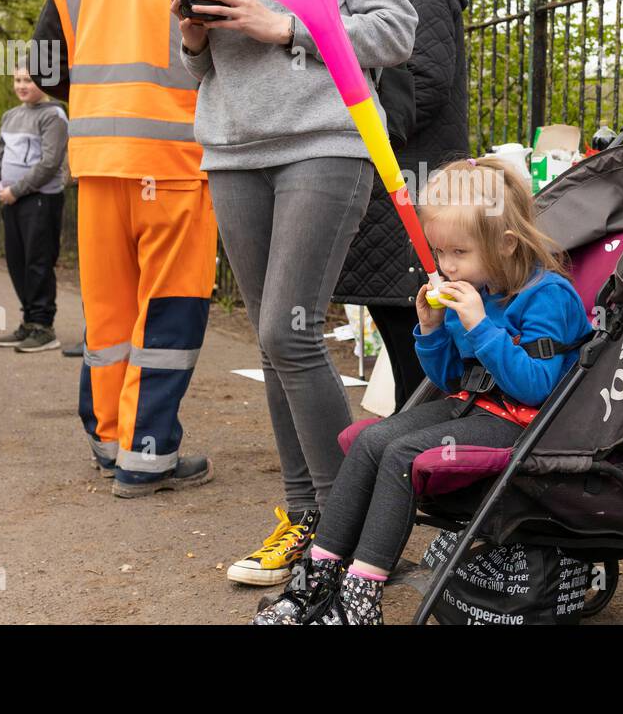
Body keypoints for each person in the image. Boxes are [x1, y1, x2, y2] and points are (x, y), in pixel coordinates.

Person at [173, 0, 416, 585]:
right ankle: (307, 522)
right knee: (277, 346)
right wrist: (197, 30)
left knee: (289, 330)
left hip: (325, 142)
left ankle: (351, 532)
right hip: (234, 148)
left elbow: (393, 29)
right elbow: (192, 68)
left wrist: (283, 26)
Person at [254, 157, 592, 624]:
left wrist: (480, 325)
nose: (446, 267)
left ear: (506, 244)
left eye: (458, 253)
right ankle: (318, 577)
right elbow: (452, 378)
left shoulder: (546, 295)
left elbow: (536, 388)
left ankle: (361, 598)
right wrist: (432, 331)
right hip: (472, 407)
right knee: (372, 439)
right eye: (440, 254)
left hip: (527, 424)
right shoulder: (471, 287)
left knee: (403, 454)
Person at [32, 0, 219, 497]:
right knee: (170, 310)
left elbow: (46, 69)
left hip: (97, 161)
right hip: (174, 163)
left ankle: (110, 438)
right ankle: (146, 457)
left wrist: (93, 103)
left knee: (109, 313)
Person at [333, 0, 469, 410]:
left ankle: (419, 423)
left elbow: (427, 81)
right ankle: (412, 419)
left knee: (409, 307)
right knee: (399, 308)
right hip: (409, 167)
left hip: (414, 170)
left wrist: (370, 123)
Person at [0, 67, 68, 353]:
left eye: (29, 80)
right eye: (17, 79)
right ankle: (29, 322)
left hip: (40, 199)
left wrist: (15, 190)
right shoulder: (10, 116)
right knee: (17, 262)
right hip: (10, 200)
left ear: (44, 82)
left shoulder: (53, 115)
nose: (22, 85)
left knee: (38, 262)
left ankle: (44, 326)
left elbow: (50, 163)